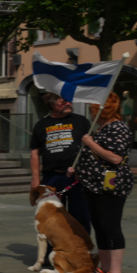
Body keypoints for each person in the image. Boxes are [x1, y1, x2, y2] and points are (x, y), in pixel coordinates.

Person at [73, 93, 133, 273]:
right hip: (95, 186)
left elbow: (115, 158)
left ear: (102, 111)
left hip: (111, 185)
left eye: (93, 111)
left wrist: (90, 144)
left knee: (110, 227)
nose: (91, 115)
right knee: (100, 227)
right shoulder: (101, 129)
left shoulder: (118, 128)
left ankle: (116, 272)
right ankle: (105, 268)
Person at [29, 92, 91, 232]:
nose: (68, 104)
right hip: (52, 177)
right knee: (52, 216)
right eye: (63, 102)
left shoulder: (81, 121)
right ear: (51, 104)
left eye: (69, 101)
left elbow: (90, 148)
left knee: (80, 215)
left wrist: (83, 171)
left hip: (76, 177)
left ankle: (83, 250)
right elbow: (34, 152)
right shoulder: (41, 124)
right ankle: (54, 251)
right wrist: (35, 180)